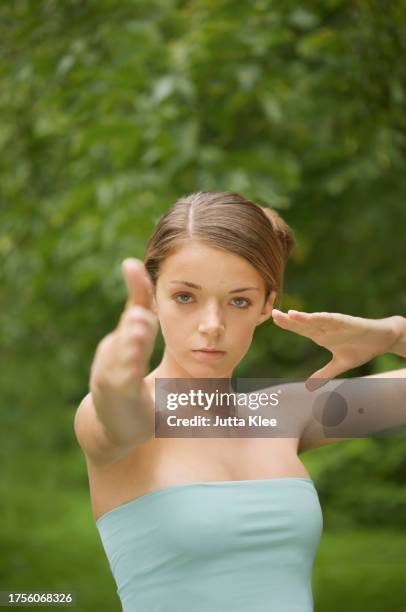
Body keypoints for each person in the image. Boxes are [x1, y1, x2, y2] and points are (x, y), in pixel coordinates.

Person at [74, 191, 406, 612]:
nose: (212, 325)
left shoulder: (287, 412)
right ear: (153, 294)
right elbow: (120, 417)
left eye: (238, 301)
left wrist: (393, 333)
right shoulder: (119, 413)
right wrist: (110, 381)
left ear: (267, 305)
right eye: (185, 297)